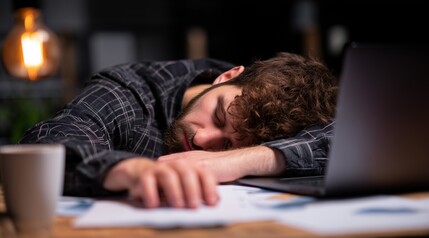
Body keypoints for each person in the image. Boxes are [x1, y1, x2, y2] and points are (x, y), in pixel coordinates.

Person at [19, 52, 338, 209]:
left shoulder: (267, 106)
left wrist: (240, 161)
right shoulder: (130, 93)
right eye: (217, 116)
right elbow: (51, 140)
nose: (202, 140)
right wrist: (125, 168)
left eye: (227, 145)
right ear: (227, 77)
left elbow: (343, 135)